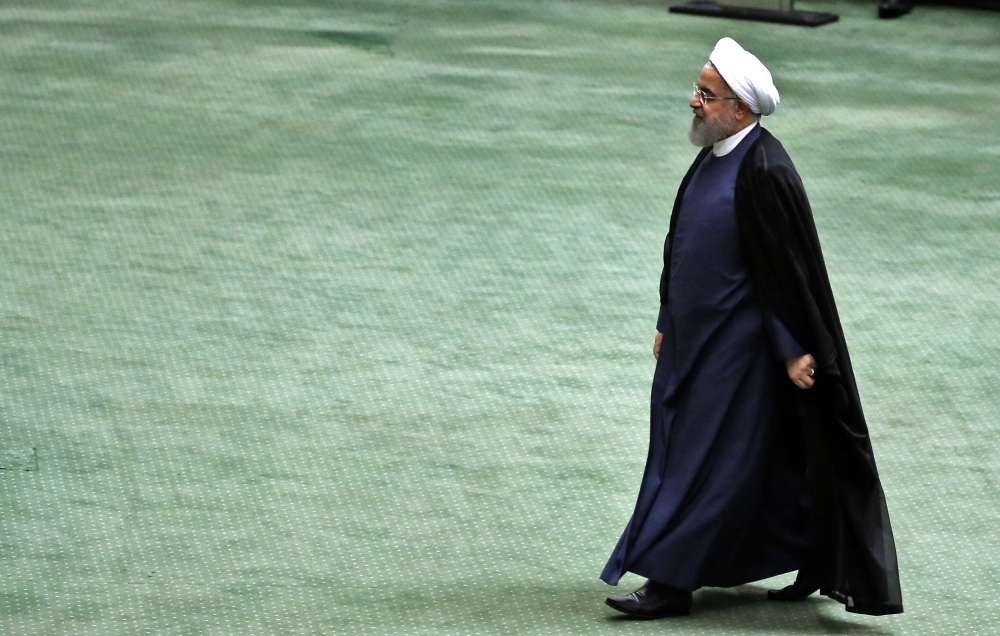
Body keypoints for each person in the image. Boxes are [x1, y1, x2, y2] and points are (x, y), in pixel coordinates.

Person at [600, 37, 902, 619]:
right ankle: (808, 549)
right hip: (692, 345)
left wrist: (793, 350)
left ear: (740, 108)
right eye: (698, 89)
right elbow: (682, 247)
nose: (694, 101)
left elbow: (787, 273)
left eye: (706, 95)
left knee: (698, 467)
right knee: (738, 468)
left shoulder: (765, 169)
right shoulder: (712, 155)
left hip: (739, 356)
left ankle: (668, 581)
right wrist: (667, 319)